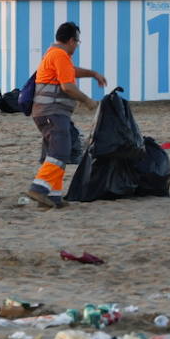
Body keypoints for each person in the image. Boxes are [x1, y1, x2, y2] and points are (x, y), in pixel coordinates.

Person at [25, 21, 108, 208]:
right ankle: (39, 188)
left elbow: (70, 72)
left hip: (48, 113)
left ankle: (53, 195)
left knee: (55, 152)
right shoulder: (60, 55)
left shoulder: (54, 54)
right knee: (60, 152)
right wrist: (86, 100)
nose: (77, 46)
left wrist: (93, 73)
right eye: (77, 42)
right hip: (52, 112)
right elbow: (67, 86)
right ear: (71, 40)